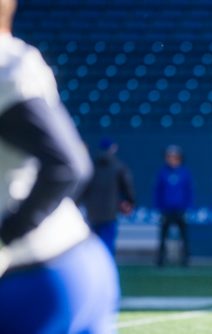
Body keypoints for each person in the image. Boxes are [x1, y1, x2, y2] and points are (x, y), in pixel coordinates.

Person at [0, 0, 119, 332]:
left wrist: (5, 235)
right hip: (75, 261)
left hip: (33, 276)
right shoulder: (18, 54)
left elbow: (67, 165)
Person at [80, 137, 135, 257]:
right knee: (108, 245)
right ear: (113, 148)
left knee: (93, 245)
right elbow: (127, 187)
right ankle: (106, 271)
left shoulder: (91, 166)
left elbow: (84, 189)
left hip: (92, 212)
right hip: (110, 212)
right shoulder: (118, 166)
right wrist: (130, 201)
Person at [154, 145, 193, 266]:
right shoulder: (162, 173)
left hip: (180, 210)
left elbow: (189, 191)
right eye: (169, 157)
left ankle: (185, 260)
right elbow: (157, 191)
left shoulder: (184, 173)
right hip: (166, 210)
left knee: (184, 236)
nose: (172, 160)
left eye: (174, 157)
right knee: (163, 236)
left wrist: (188, 208)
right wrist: (158, 208)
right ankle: (160, 260)